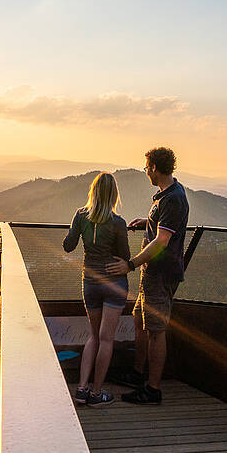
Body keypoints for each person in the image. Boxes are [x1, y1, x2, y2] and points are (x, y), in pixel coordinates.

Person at [105, 146, 189, 405]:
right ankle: (137, 374)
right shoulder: (165, 195)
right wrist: (147, 223)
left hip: (160, 274)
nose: (146, 172)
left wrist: (130, 264)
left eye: (146, 168)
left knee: (155, 329)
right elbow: (162, 229)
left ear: (154, 167)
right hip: (151, 272)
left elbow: (162, 241)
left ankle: (152, 389)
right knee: (140, 321)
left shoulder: (173, 198)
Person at [63, 172, 131, 408]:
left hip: (89, 282)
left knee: (93, 336)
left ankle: (81, 389)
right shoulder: (118, 222)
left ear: (92, 192)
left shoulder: (80, 216)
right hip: (113, 283)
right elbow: (125, 257)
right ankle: (97, 393)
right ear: (113, 196)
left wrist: (76, 230)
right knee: (106, 339)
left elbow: (68, 246)